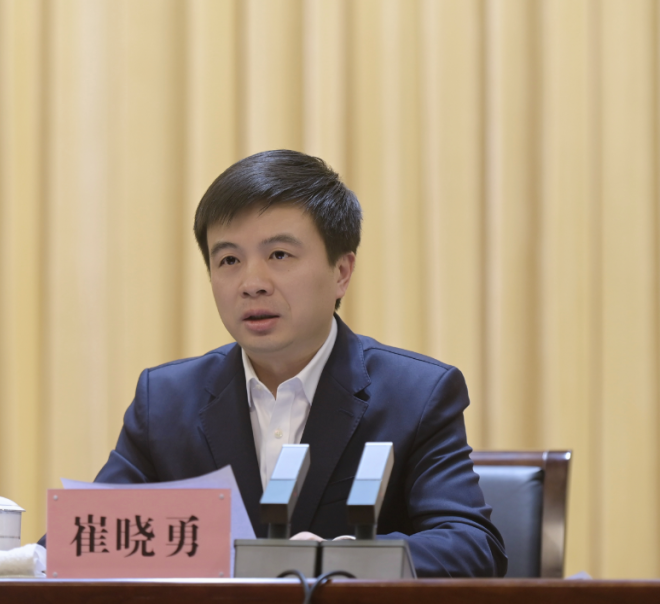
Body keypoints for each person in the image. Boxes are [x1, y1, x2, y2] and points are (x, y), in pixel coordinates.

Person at [46, 150, 507, 577]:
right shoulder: (166, 401)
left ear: (341, 272)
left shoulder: (416, 394)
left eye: (279, 255)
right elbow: (80, 541)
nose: (252, 283)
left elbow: (471, 546)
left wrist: (341, 559)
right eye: (229, 259)